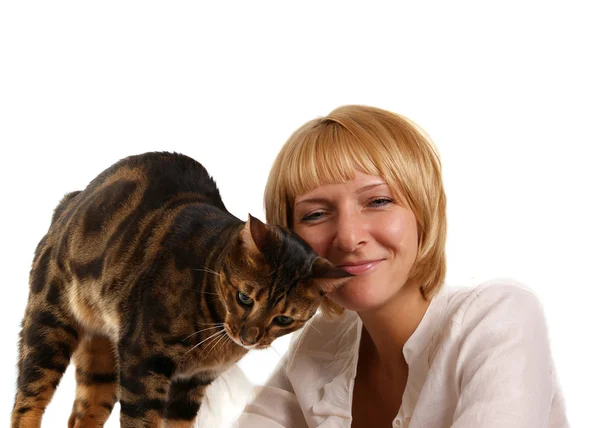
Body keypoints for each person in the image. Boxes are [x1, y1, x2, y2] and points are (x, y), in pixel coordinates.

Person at [234, 105, 568, 427]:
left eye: (378, 201)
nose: (348, 238)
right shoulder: (317, 347)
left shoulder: (499, 319)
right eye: (316, 214)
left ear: (423, 213)